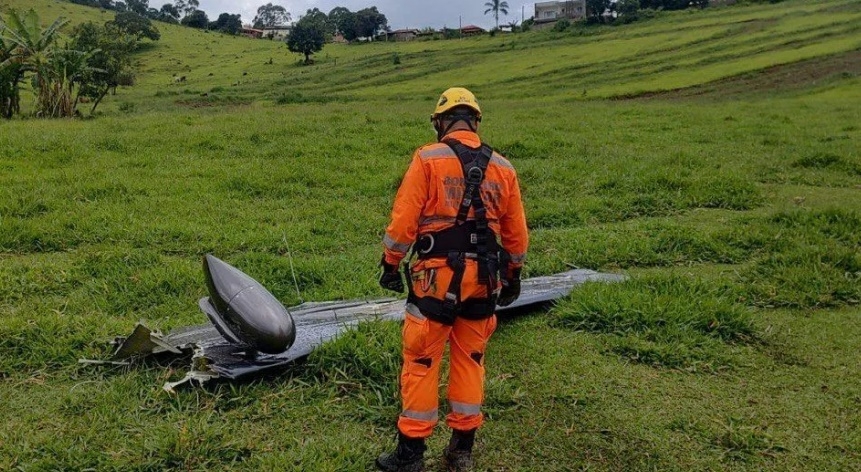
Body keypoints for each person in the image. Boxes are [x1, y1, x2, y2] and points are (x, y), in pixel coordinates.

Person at [376, 87, 529, 472]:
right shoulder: (504, 168)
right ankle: (461, 450)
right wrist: (513, 276)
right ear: (475, 122)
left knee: (422, 360)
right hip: (484, 279)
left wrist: (390, 264)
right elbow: (516, 235)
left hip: (436, 278)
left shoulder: (428, 158)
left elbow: (403, 221)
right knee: (470, 359)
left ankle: (410, 455)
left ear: (440, 123)